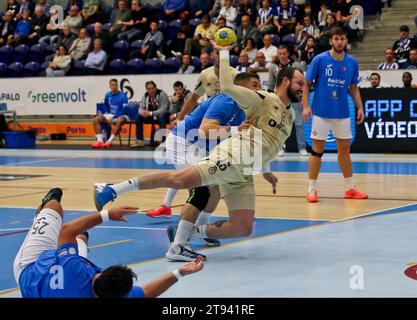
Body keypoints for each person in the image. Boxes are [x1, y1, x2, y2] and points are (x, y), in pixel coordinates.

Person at [93, 52, 305, 256]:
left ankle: (193, 232)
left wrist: (266, 170)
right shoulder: (254, 99)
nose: (303, 89)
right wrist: (223, 52)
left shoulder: (288, 113)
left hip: (242, 166)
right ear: (285, 82)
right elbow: (206, 128)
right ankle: (114, 191)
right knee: (192, 185)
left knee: (242, 226)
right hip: (189, 142)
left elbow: (263, 139)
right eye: (300, 83)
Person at [14, 188, 204, 298]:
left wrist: (107, 214)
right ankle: (81, 240)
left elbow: (66, 231)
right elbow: (147, 292)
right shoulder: (113, 294)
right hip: (55, 281)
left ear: (98, 274)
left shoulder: (75, 268)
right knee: (80, 239)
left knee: (54, 206)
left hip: (30, 268)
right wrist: (180, 272)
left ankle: (40, 216)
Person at [163, 72, 261, 261]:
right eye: (255, 85)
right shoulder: (225, 101)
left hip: (201, 146)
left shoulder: (245, 108)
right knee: (201, 189)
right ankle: (177, 245)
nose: (259, 89)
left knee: (215, 186)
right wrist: (235, 130)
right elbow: (204, 131)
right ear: (241, 88)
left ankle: (200, 230)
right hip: (183, 142)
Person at [145, 48, 238, 218]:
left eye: (220, 53)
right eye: (215, 53)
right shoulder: (206, 74)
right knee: (192, 173)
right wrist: (179, 118)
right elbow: (193, 99)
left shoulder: (234, 74)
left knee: (209, 176)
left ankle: (240, 208)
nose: (217, 56)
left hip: (221, 128)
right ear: (212, 56)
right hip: (205, 124)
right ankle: (169, 206)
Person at [302, 27, 368, 203]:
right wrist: (306, 106)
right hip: (321, 113)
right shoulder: (320, 59)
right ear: (331, 40)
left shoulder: (352, 62)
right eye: (336, 39)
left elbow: (353, 88)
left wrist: (360, 107)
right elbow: (306, 84)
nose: (339, 42)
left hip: (343, 113)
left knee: (344, 150)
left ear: (346, 41)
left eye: (342, 39)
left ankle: (350, 189)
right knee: (317, 150)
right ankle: (311, 189)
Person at [268, 44, 307, 156]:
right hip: (279, 100)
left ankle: (302, 148)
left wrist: (303, 99)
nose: (282, 56)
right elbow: (271, 86)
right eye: (280, 54)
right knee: (279, 123)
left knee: (298, 123)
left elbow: (302, 84)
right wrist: (271, 101)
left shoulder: (296, 66)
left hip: (295, 98)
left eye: (284, 53)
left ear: (288, 54)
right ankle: (280, 147)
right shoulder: (272, 67)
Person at [131, 81, 170, 148]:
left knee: (161, 116)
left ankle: (163, 141)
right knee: (138, 117)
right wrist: (142, 113)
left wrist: (151, 113)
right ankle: (140, 141)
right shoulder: (145, 95)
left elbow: (164, 109)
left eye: (152, 88)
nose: (151, 90)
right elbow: (140, 108)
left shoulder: (162, 94)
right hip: (151, 116)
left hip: (163, 116)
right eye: (149, 89)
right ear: (147, 89)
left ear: (155, 88)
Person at [92, 79, 129, 148]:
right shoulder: (107, 95)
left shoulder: (123, 96)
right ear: (109, 86)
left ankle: (109, 141)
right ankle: (100, 141)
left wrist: (114, 117)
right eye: (112, 85)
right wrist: (108, 113)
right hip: (111, 114)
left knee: (120, 120)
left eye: (115, 85)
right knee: (96, 119)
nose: (114, 86)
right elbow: (105, 104)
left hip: (122, 115)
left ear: (117, 86)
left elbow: (124, 110)